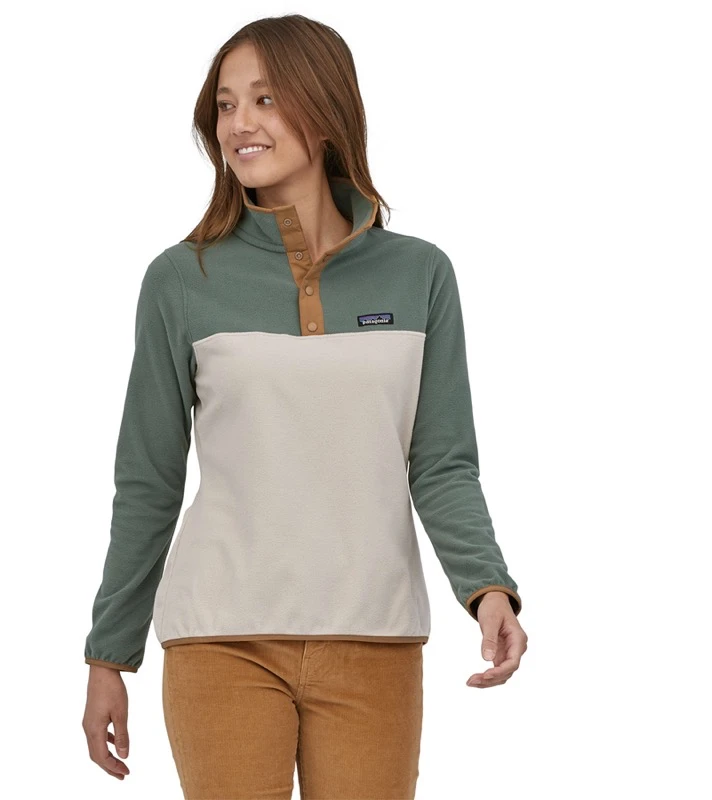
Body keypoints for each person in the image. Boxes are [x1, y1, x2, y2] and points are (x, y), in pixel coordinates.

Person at [81, 13, 528, 798]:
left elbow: (441, 462)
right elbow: (149, 478)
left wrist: (487, 586)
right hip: (220, 637)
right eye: (225, 105)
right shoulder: (182, 280)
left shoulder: (420, 275)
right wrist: (108, 655)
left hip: (375, 637)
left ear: (325, 111)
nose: (238, 125)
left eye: (264, 99)